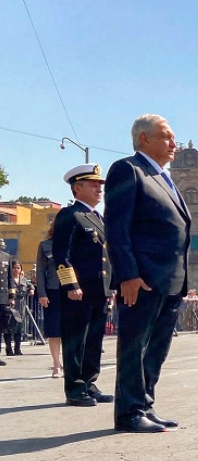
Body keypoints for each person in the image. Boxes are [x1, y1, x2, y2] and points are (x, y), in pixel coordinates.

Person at [105, 114, 192, 433]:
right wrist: (127, 274)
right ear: (144, 138)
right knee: (134, 345)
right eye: (167, 137)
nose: (174, 144)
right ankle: (128, 412)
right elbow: (116, 227)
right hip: (141, 279)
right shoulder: (128, 170)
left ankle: (144, 404)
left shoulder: (163, 177)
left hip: (170, 280)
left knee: (157, 348)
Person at [53, 164, 113, 407]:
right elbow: (61, 254)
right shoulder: (70, 215)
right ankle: (75, 389)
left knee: (94, 339)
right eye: (93, 184)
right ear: (77, 188)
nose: (99, 188)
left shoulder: (97, 218)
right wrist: (71, 285)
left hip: (99, 289)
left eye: (100, 185)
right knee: (76, 339)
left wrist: (112, 287)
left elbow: (106, 258)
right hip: (79, 290)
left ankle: (89, 382)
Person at [36, 227, 63, 377]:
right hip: (52, 291)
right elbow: (40, 271)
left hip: (73, 290)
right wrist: (42, 293)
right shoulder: (45, 245)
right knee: (54, 331)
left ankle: (70, 364)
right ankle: (56, 364)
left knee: (71, 331)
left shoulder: (76, 244)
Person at [3, 261, 33, 356]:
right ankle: (9, 348)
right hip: (11, 305)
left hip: (21, 305)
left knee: (19, 328)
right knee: (9, 327)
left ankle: (17, 348)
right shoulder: (8, 280)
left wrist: (32, 289)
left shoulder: (23, 280)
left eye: (18, 268)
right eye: (14, 268)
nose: (16, 270)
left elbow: (31, 284)